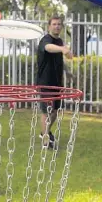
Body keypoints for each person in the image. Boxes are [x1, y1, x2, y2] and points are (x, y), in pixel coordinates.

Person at [36, 16, 74, 148]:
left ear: (61, 27)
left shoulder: (60, 41)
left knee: (56, 110)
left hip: (57, 82)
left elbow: (59, 60)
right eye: (54, 24)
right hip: (45, 81)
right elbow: (48, 48)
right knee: (47, 111)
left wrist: (67, 71)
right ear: (49, 26)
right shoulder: (45, 40)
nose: (57, 26)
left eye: (59, 24)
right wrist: (63, 49)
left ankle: (44, 132)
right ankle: (46, 141)